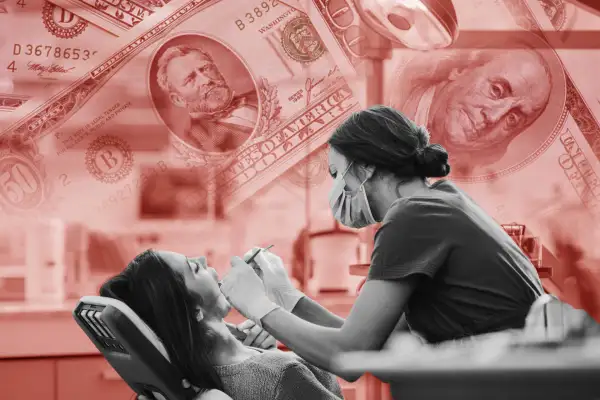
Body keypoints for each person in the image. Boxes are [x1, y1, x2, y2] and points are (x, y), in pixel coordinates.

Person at [219, 105, 545, 396]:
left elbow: (349, 356)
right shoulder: (442, 200)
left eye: (338, 175)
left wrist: (258, 306)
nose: (337, 192)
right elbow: (378, 347)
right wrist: (288, 298)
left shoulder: (413, 216)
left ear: (367, 167)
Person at [100, 249, 343, 400]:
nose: (203, 259)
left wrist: (267, 352)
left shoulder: (191, 376)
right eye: (194, 268)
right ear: (194, 310)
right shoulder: (283, 374)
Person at [388, 44, 552, 168]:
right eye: (496, 90)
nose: (494, 117)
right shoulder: (386, 91)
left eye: (512, 119)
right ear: (462, 69)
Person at [155, 44, 258, 153]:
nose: (206, 80)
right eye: (190, 80)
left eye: (206, 69)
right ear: (179, 100)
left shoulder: (260, 94)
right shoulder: (196, 145)